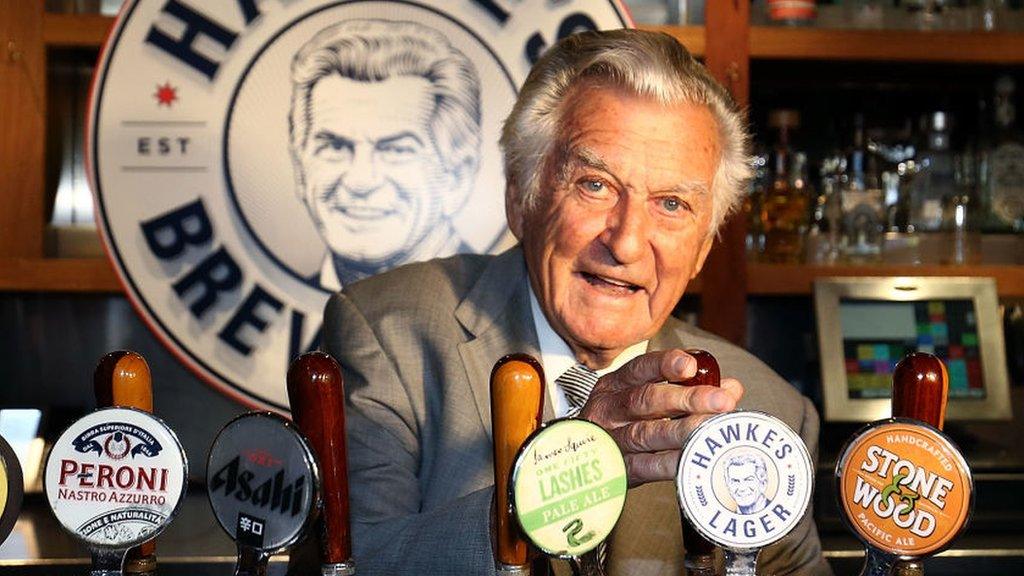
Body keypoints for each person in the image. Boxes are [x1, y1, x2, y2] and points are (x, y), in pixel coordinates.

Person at [322, 29, 833, 575]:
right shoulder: (388, 335)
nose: (627, 241)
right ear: (521, 197)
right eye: (595, 185)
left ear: (705, 248)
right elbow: (359, 563)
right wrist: (553, 490)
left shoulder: (768, 413)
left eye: (672, 203)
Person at [288, 19, 482, 290]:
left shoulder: (510, 316)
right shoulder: (282, 327)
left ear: (456, 178)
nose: (360, 181)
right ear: (300, 169)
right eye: (335, 147)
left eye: (396, 149)